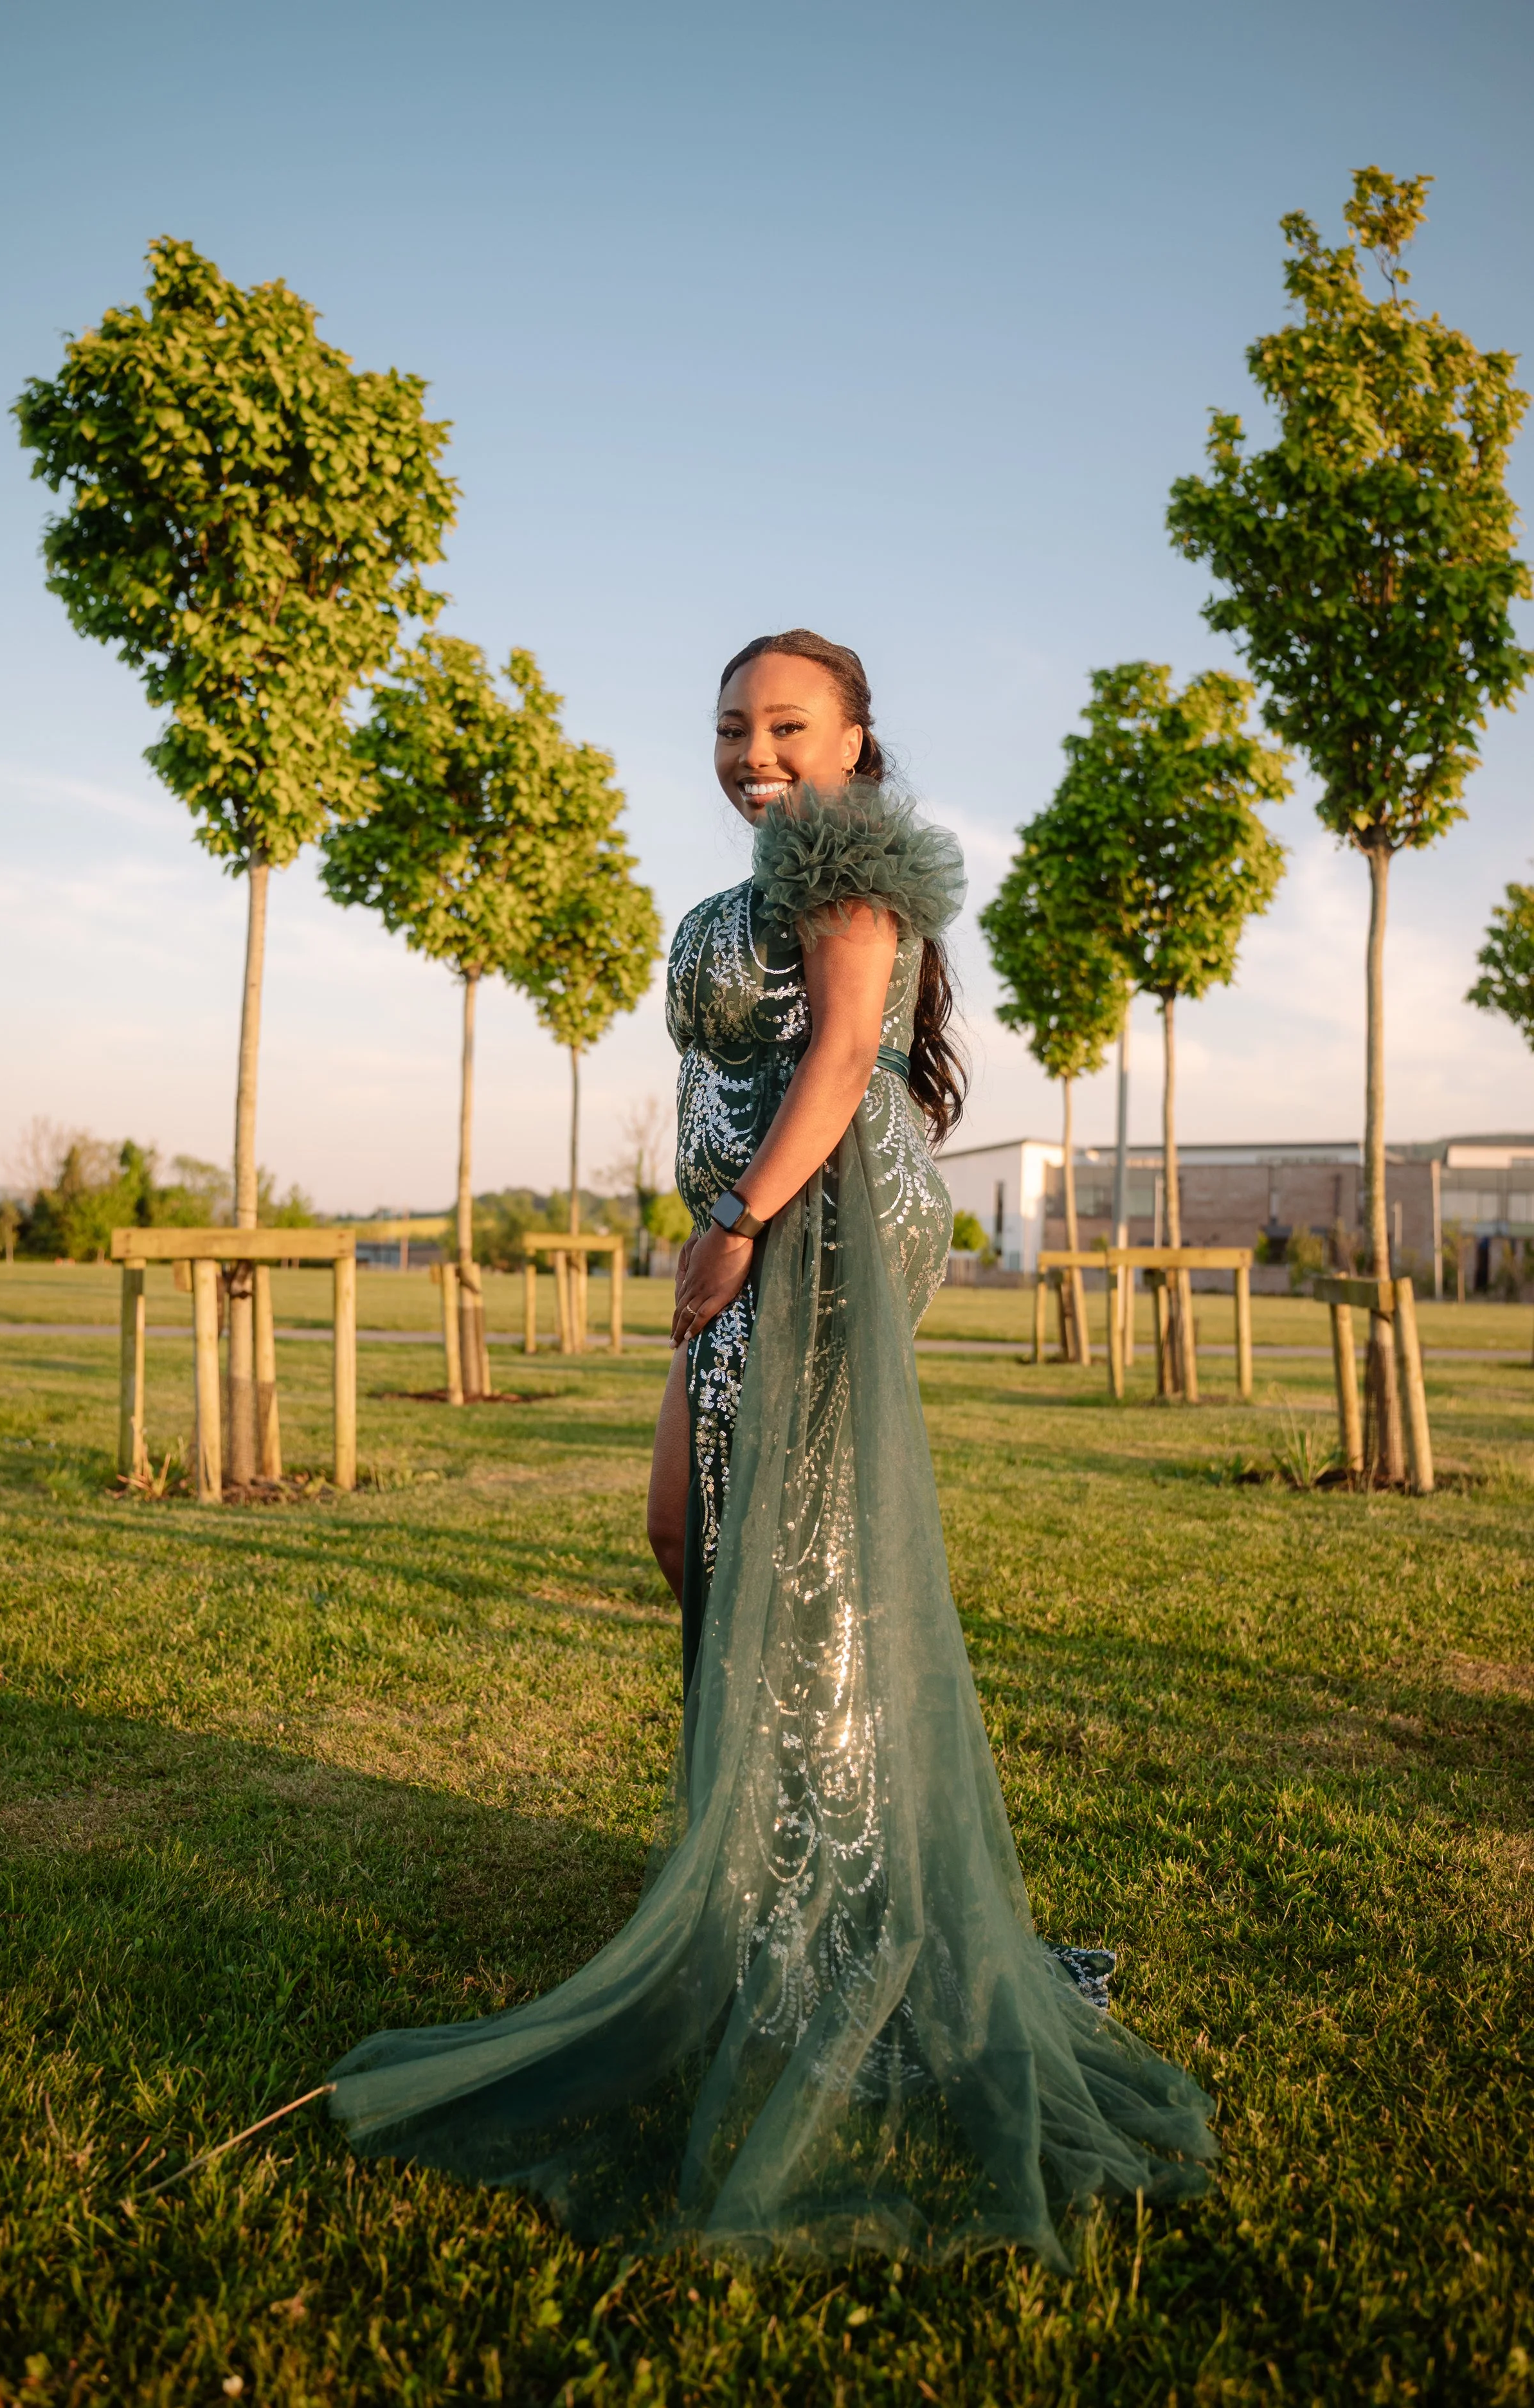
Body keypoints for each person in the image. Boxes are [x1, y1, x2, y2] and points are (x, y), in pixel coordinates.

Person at [329, 631, 1215, 2267]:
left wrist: (740, 1221)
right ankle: (756, 1852)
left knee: (782, 1554)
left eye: (788, 725)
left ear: (855, 735)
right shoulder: (775, 859)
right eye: (734, 725)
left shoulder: (836, 859)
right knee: (694, 1529)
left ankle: (825, 1908)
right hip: (757, 1234)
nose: (755, 751)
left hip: (810, 1240)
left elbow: (838, 1051)